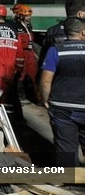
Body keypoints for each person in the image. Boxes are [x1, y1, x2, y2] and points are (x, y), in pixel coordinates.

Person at [40, 17, 85, 167]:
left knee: (66, 145)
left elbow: (46, 80)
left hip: (62, 106)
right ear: (83, 32)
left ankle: (69, 178)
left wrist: (46, 99)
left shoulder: (56, 50)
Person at [39, 0, 85, 67]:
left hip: (57, 74)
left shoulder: (52, 31)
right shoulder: (82, 31)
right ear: (80, 14)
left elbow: (44, 59)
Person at [12, 4, 39, 102]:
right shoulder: (16, 26)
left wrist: (35, 54)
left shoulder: (28, 26)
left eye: (29, 15)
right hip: (22, 53)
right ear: (21, 16)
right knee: (20, 75)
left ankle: (37, 97)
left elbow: (31, 41)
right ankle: (19, 96)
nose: (29, 17)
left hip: (29, 53)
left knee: (34, 74)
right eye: (27, 16)